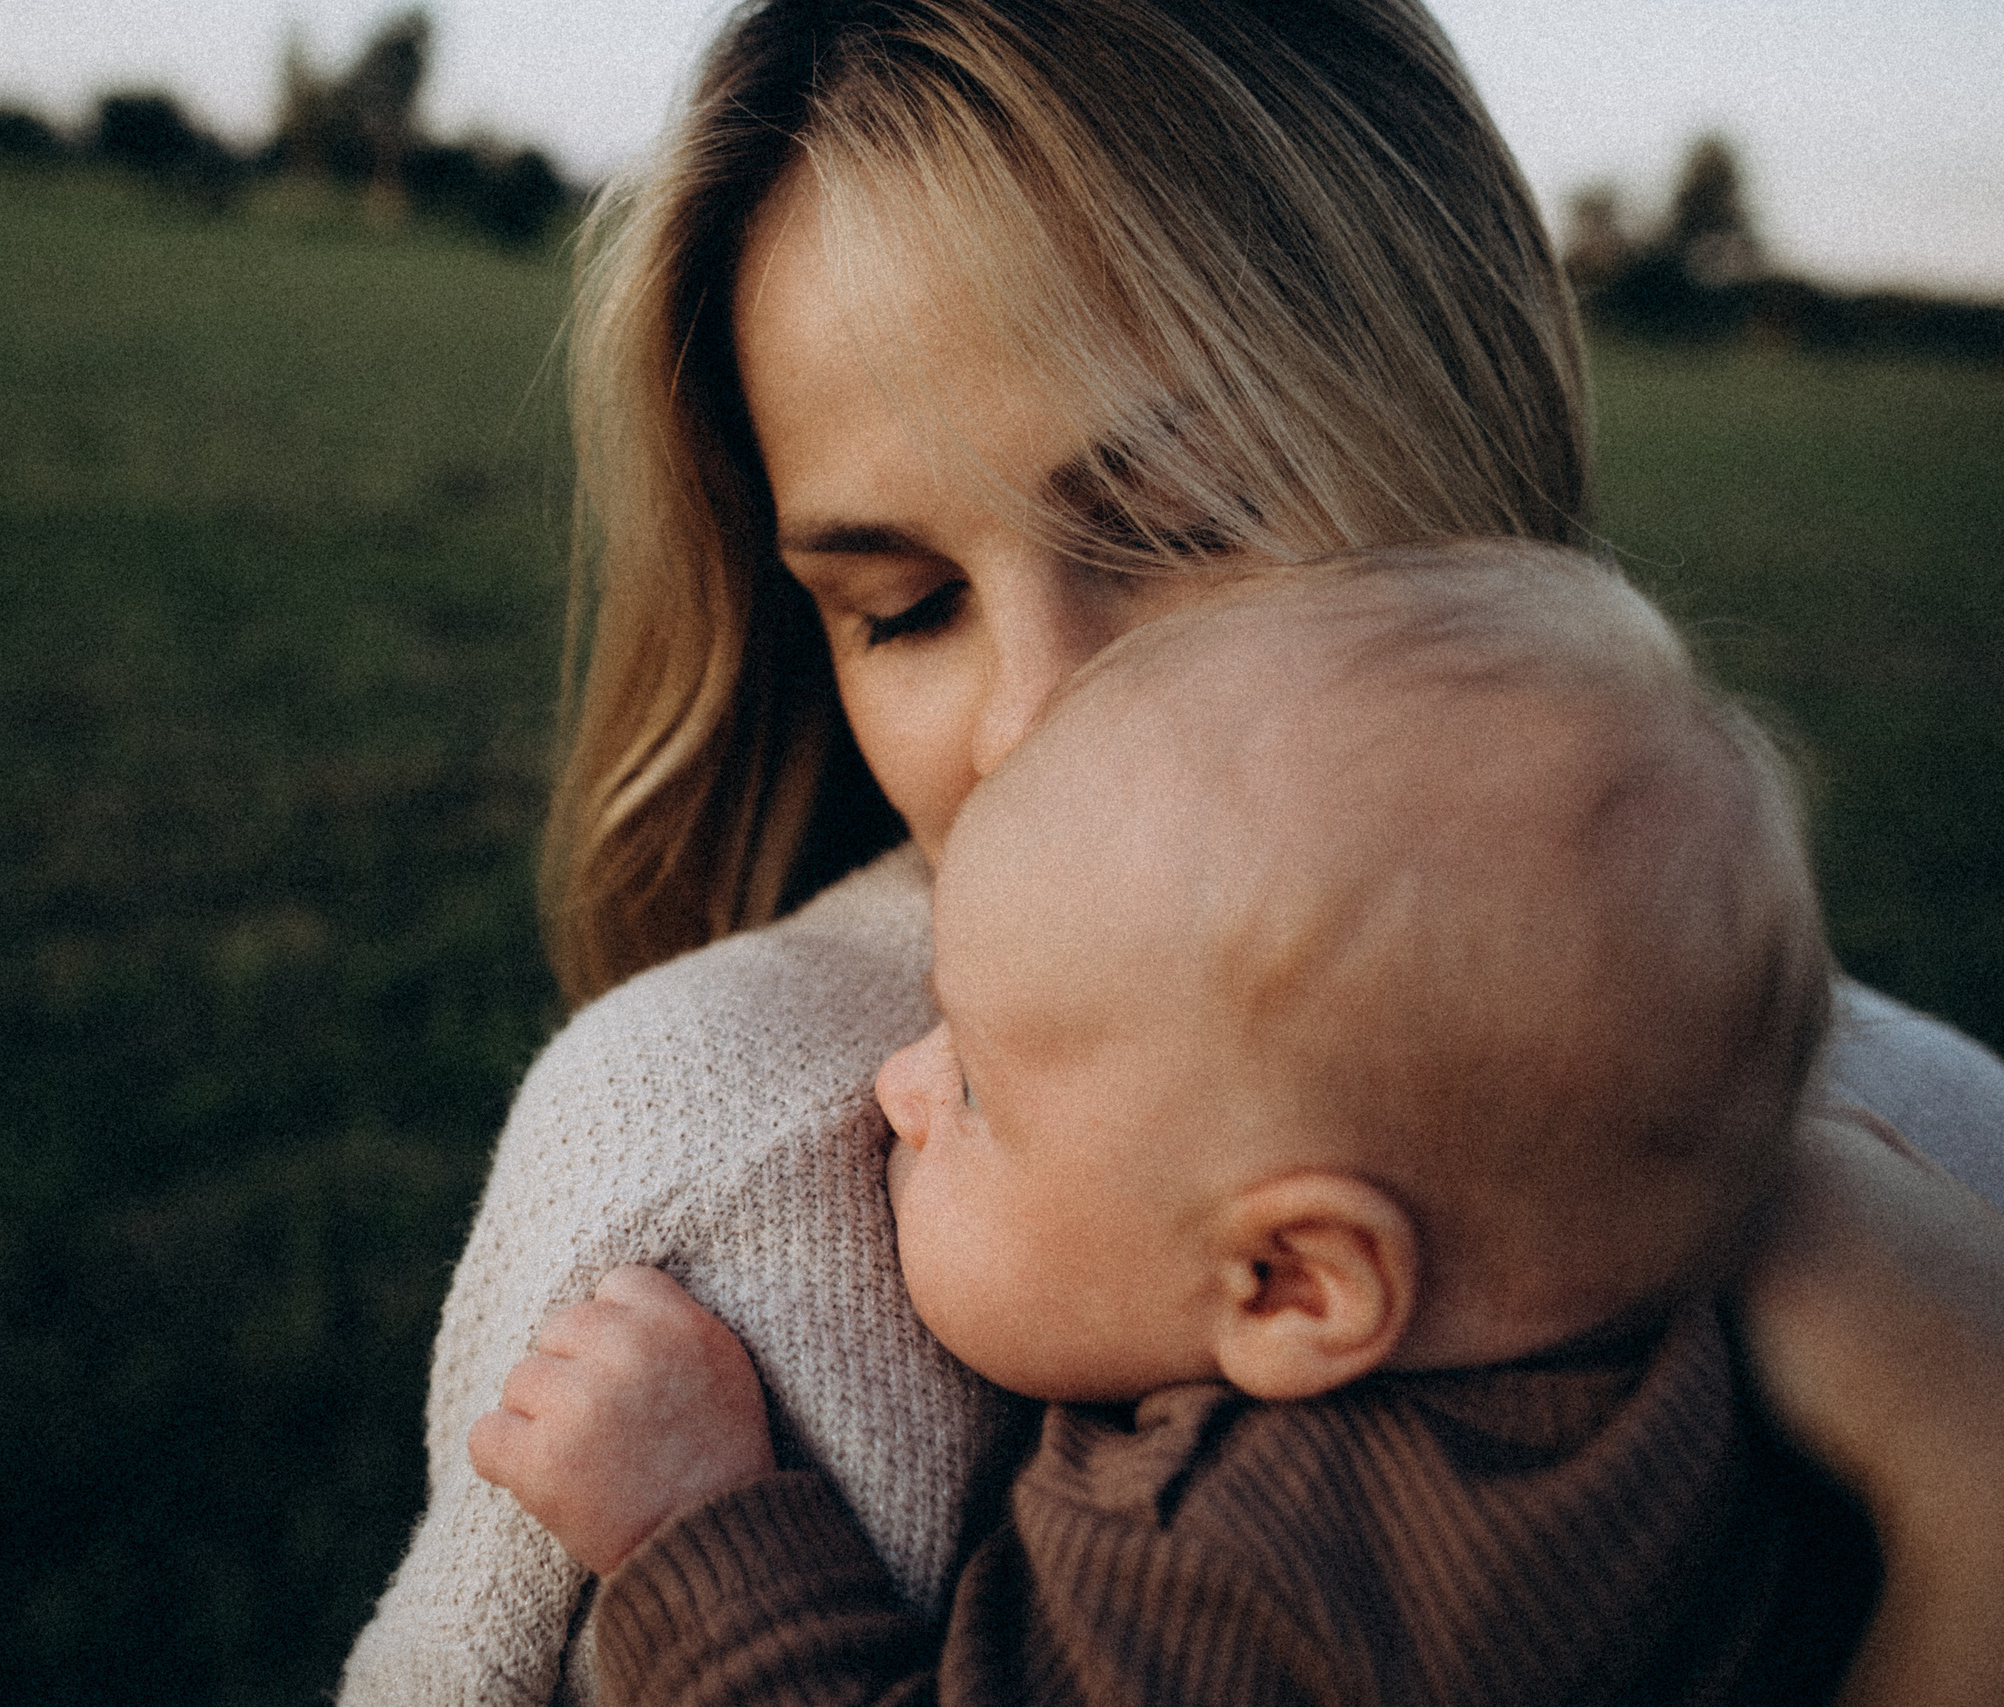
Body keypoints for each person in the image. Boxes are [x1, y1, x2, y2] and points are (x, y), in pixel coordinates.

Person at [335, 3, 2004, 1702]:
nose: (1036, 720)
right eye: (903, 608)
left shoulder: (1945, 1160)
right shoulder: (713, 1174)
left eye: (1178, 521)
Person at [470, 540, 1883, 1704]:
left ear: (1292, 1284)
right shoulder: (1680, 1381)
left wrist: (693, 1526)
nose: (897, 1085)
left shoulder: (1233, 1566)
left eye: (978, 1089)